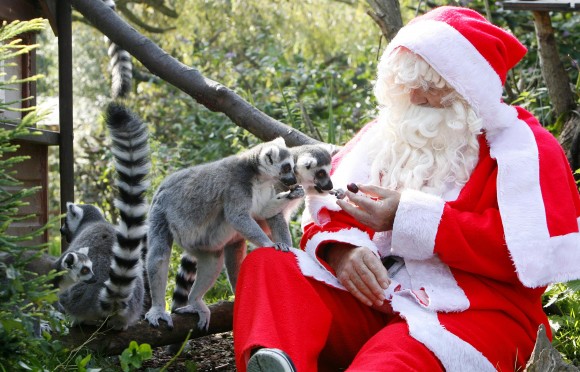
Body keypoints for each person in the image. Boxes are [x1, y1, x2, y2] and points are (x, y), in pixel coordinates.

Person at [233, 6, 580, 372]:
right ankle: (279, 361)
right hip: (376, 301)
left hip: (472, 315)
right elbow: (328, 210)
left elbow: (528, 256)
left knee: (391, 360)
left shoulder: (523, 150)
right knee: (268, 265)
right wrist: (342, 253)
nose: (414, 98)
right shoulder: (383, 136)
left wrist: (410, 218)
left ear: (469, 87)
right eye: (406, 83)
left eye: (430, 86)